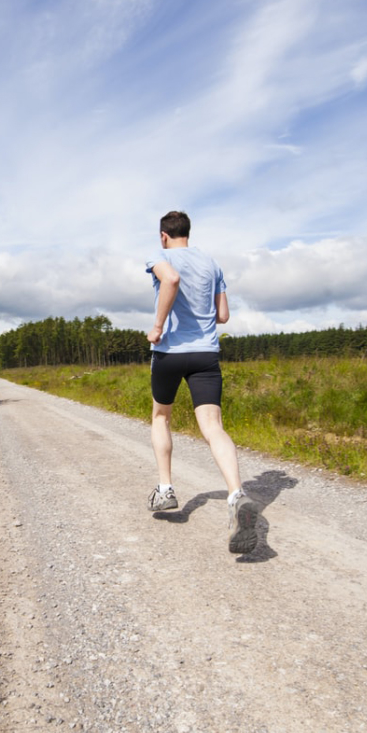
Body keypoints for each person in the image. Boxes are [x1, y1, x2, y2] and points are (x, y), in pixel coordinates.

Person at [145, 210, 258, 554]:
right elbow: (223, 315)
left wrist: (158, 326)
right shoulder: (212, 263)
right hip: (206, 353)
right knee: (213, 426)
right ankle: (237, 493)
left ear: (164, 235)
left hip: (170, 352)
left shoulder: (160, 256)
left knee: (161, 416)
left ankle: (165, 490)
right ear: (187, 233)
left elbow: (171, 280)